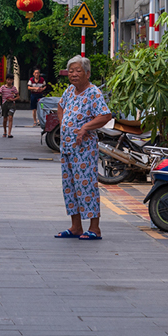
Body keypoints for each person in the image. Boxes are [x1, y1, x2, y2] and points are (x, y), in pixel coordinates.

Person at [54, 54, 113, 240]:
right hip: (67, 147)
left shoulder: (93, 92)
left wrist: (85, 127)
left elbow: (105, 115)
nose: (73, 74)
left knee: (86, 185)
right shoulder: (70, 90)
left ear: (87, 73)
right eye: (71, 71)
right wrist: (65, 125)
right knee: (70, 186)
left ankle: (94, 228)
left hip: (84, 149)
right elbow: (60, 106)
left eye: (78, 71)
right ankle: (76, 226)